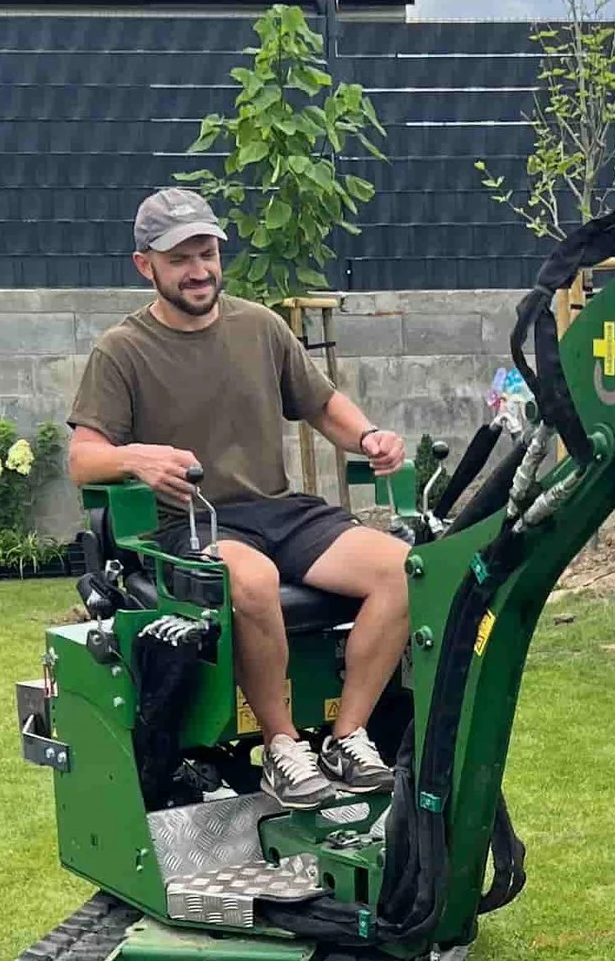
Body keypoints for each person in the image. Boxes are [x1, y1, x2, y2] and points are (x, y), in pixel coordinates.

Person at [65, 187, 411, 811]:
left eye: (207, 253)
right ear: (146, 265)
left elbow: (322, 404)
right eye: (180, 259)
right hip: (191, 523)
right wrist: (135, 458)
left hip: (278, 509)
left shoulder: (262, 328)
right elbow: (83, 459)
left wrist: (367, 436)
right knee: (250, 580)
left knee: (400, 570)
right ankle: (282, 748)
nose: (199, 270)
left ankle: (347, 736)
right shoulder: (121, 351)